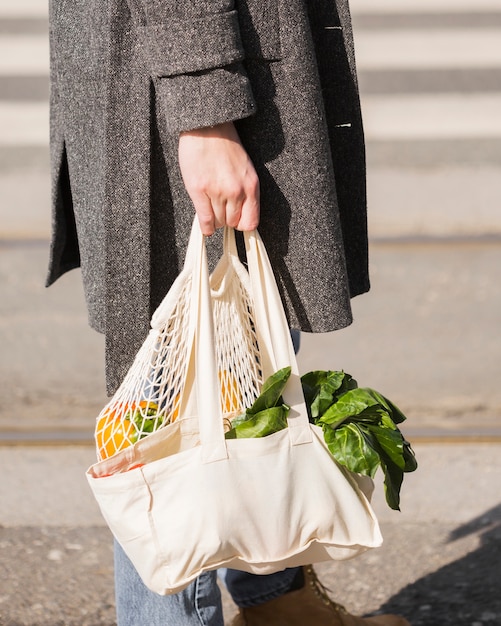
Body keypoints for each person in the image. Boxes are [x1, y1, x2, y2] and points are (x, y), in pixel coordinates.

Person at [47, 0, 411, 624]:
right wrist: (205, 110)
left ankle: (275, 600)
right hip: (194, 79)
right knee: (176, 416)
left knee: (239, 377)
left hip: (221, 62)